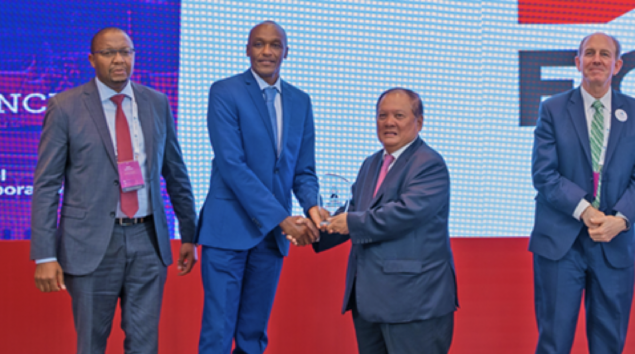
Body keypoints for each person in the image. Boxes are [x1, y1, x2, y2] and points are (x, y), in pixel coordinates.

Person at [30, 27, 197, 354]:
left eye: (126, 51)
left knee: (145, 345)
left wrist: (189, 233)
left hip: (147, 240)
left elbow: (175, 172)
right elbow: (47, 184)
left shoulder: (156, 102)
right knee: (91, 344)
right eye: (109, 53)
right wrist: (45, 254)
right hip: (90, 243)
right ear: (92, 59)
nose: (119, 59)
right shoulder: (65, 107)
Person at [195, 21, 325, 354]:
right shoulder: (224, 91)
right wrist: (282, 219)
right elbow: (232, 166)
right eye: (259, 44)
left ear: (286, 51)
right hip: (228, 231)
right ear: (247, 48)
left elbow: (302, 170)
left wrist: (313, 206)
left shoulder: (301, 101)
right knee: (218, 333)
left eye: (275, 45)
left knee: (253, 337)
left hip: (270, 240)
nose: (267, 52)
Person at [530, 32, 635, 354]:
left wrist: (622, 219)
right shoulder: (552, 110)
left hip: (613, 242)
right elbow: (543, 174)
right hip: (561, 243)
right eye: (589, 53)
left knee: (609, 343)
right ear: (577, 62)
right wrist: (585, 210)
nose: (596, 59)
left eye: (604, 54)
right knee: (553, 343)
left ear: (617, 65)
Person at [311, 88, 458, 354]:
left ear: (419, 122)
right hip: (369, 301)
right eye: (382, 115)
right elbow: (355, 209)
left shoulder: (429, 164)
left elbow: (403, 213)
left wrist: (350, 222)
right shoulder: (371, 164)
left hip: (413, 304)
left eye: (399, 115)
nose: (389, 122)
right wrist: (315, 228)